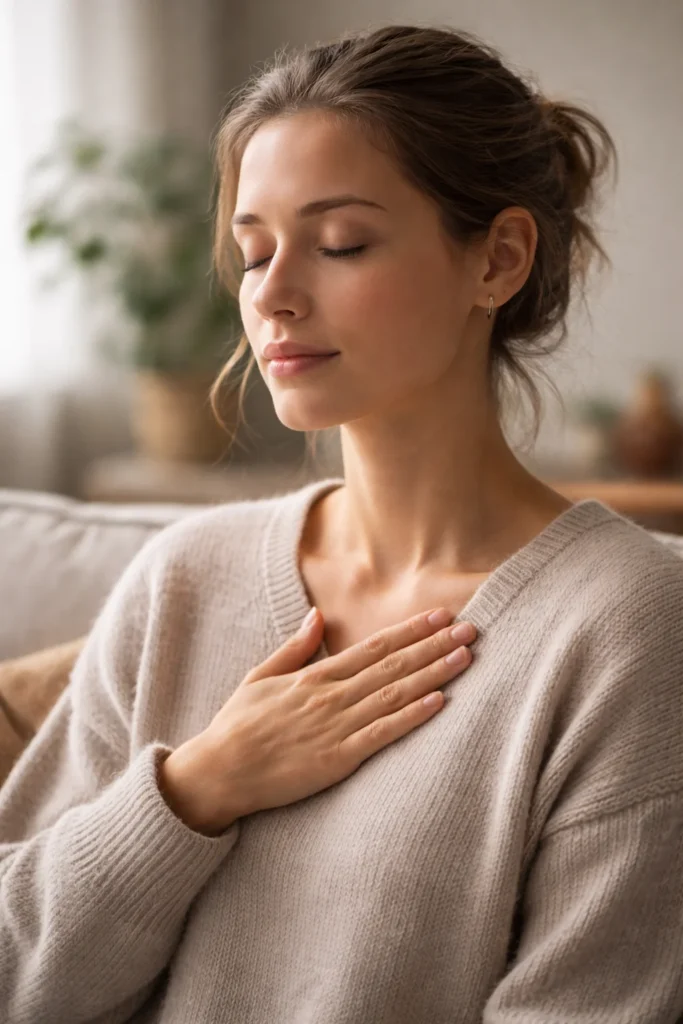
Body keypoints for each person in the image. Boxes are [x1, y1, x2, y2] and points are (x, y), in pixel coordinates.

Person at [1, 23, 682, 1024]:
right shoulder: (183, 576)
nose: (271, 294)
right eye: (252, 251)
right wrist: (193, 789)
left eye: (340, 244)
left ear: (495, 261)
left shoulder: (623, 626)